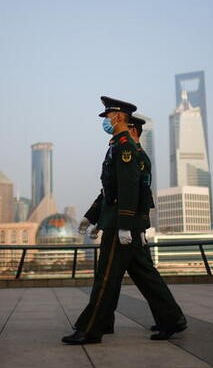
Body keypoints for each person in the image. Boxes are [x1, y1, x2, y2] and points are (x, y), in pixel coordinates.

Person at [62, 97, 187, 345]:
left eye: (108, 116)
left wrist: (126, 225)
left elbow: (133, 191)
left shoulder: (126, 148)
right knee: (144, 276)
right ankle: (171, 319)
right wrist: (92, 217)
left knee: (106, 278)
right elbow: (110, 192)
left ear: (119, 117)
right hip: (117, 222)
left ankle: (91, 329)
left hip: (121, 226)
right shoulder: (117, 147)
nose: (106, 120)